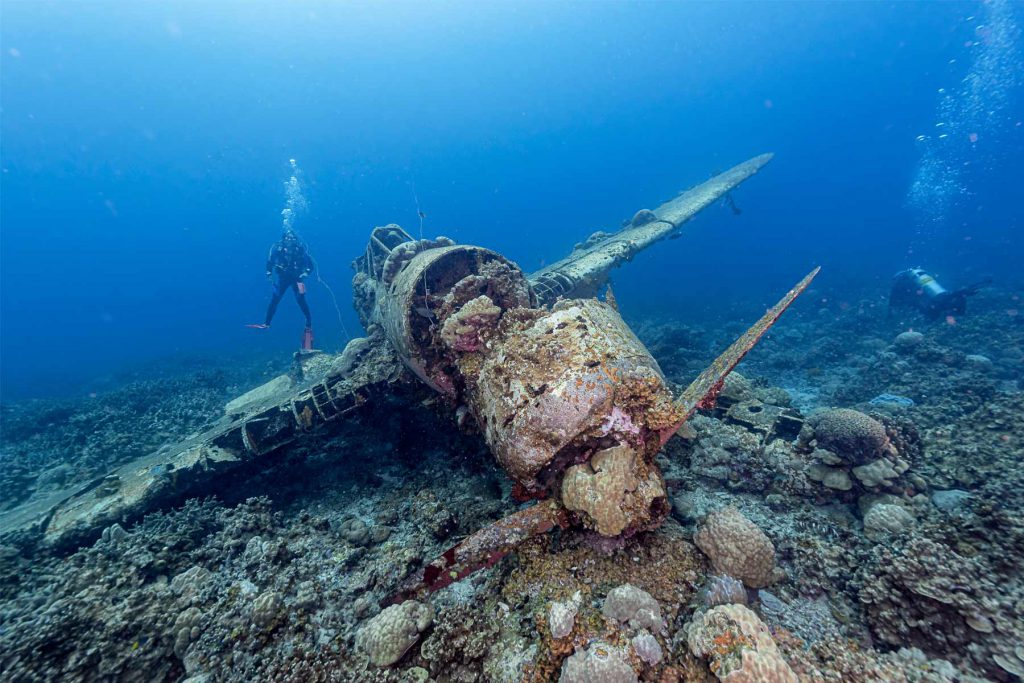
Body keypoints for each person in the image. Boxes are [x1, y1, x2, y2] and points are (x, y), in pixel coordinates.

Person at [249, 230, 314, 350]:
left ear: (295, 239)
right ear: (283, 239)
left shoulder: (300, 250)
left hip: (297, 278)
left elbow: (310, 265)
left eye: (292, 238)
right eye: (287, 238)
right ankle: (267, 323)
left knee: (301, 300)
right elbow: (270, 262)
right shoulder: (277, 249)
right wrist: (269, 272)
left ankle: (308, 323)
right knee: (275, 298)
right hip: (282, 278)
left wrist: (306, 273)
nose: (289, 240)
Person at [889, 267, 986, 319]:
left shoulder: (900, 285)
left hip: (931, 300)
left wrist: (890, 314)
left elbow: (893, 301)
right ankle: (962, 294)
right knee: (943, 302)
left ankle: (961, 293)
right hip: (935, 295)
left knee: (938, 305)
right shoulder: (913, 281)